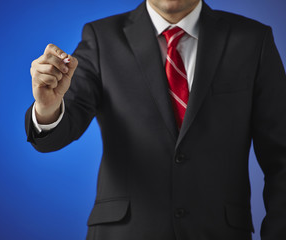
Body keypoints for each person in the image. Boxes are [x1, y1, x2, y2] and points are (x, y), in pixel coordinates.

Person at [25, 0, 286, 239]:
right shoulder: (101, 37)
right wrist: (48, 107)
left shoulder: (253, 40)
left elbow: (281, 158)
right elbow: (60, 129)